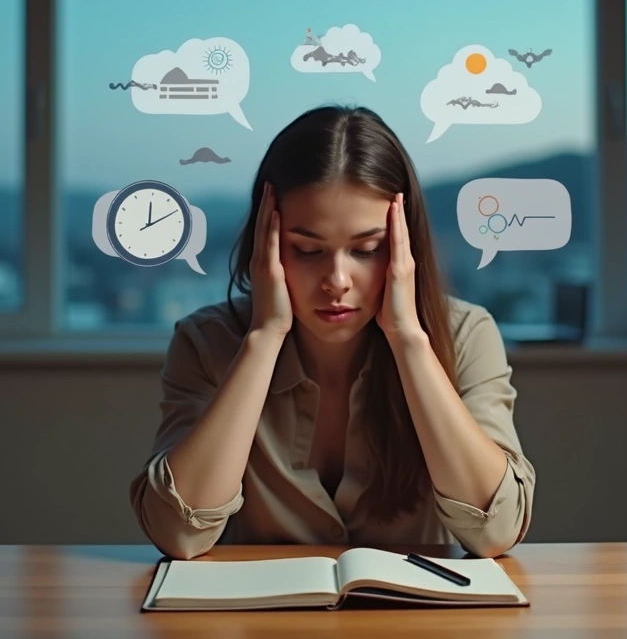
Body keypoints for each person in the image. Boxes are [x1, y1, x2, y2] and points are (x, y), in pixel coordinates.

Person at [128, 105, 536, 560]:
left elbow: (496, 530)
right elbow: (177, 532)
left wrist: (409, 341)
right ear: (266, 244)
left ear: (404, 248)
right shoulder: (206, 343)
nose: (337, 280)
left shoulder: (466, 335)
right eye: (306, 250)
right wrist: (264, 338)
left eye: (367, 250)